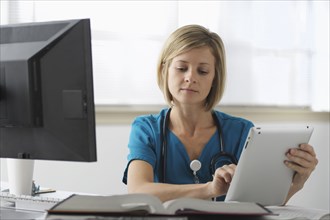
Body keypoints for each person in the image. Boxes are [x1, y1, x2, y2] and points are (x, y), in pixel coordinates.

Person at [122, 24, 318, 203]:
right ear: (164, 70)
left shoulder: (242, 131)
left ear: (215, 77)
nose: (190, 77)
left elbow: (261, 202)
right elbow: (138, 191)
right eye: (182, 68)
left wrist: (297, 183)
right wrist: (210, 188)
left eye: (203, 71)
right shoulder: (146, 129)